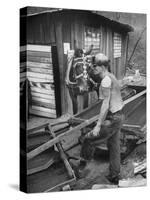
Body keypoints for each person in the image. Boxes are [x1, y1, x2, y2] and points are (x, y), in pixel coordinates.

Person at [79, 53, 125, 184]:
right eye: (93, 65)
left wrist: (98, 125)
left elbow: (105, 104)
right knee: (114, 146)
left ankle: (81, 167)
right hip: (120, 115)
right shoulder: (112, 76)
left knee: (88, 139)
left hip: (112, 118)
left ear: (103, 66)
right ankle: (114, 175)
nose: (94, 68)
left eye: (96, 66)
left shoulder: (105, 80)